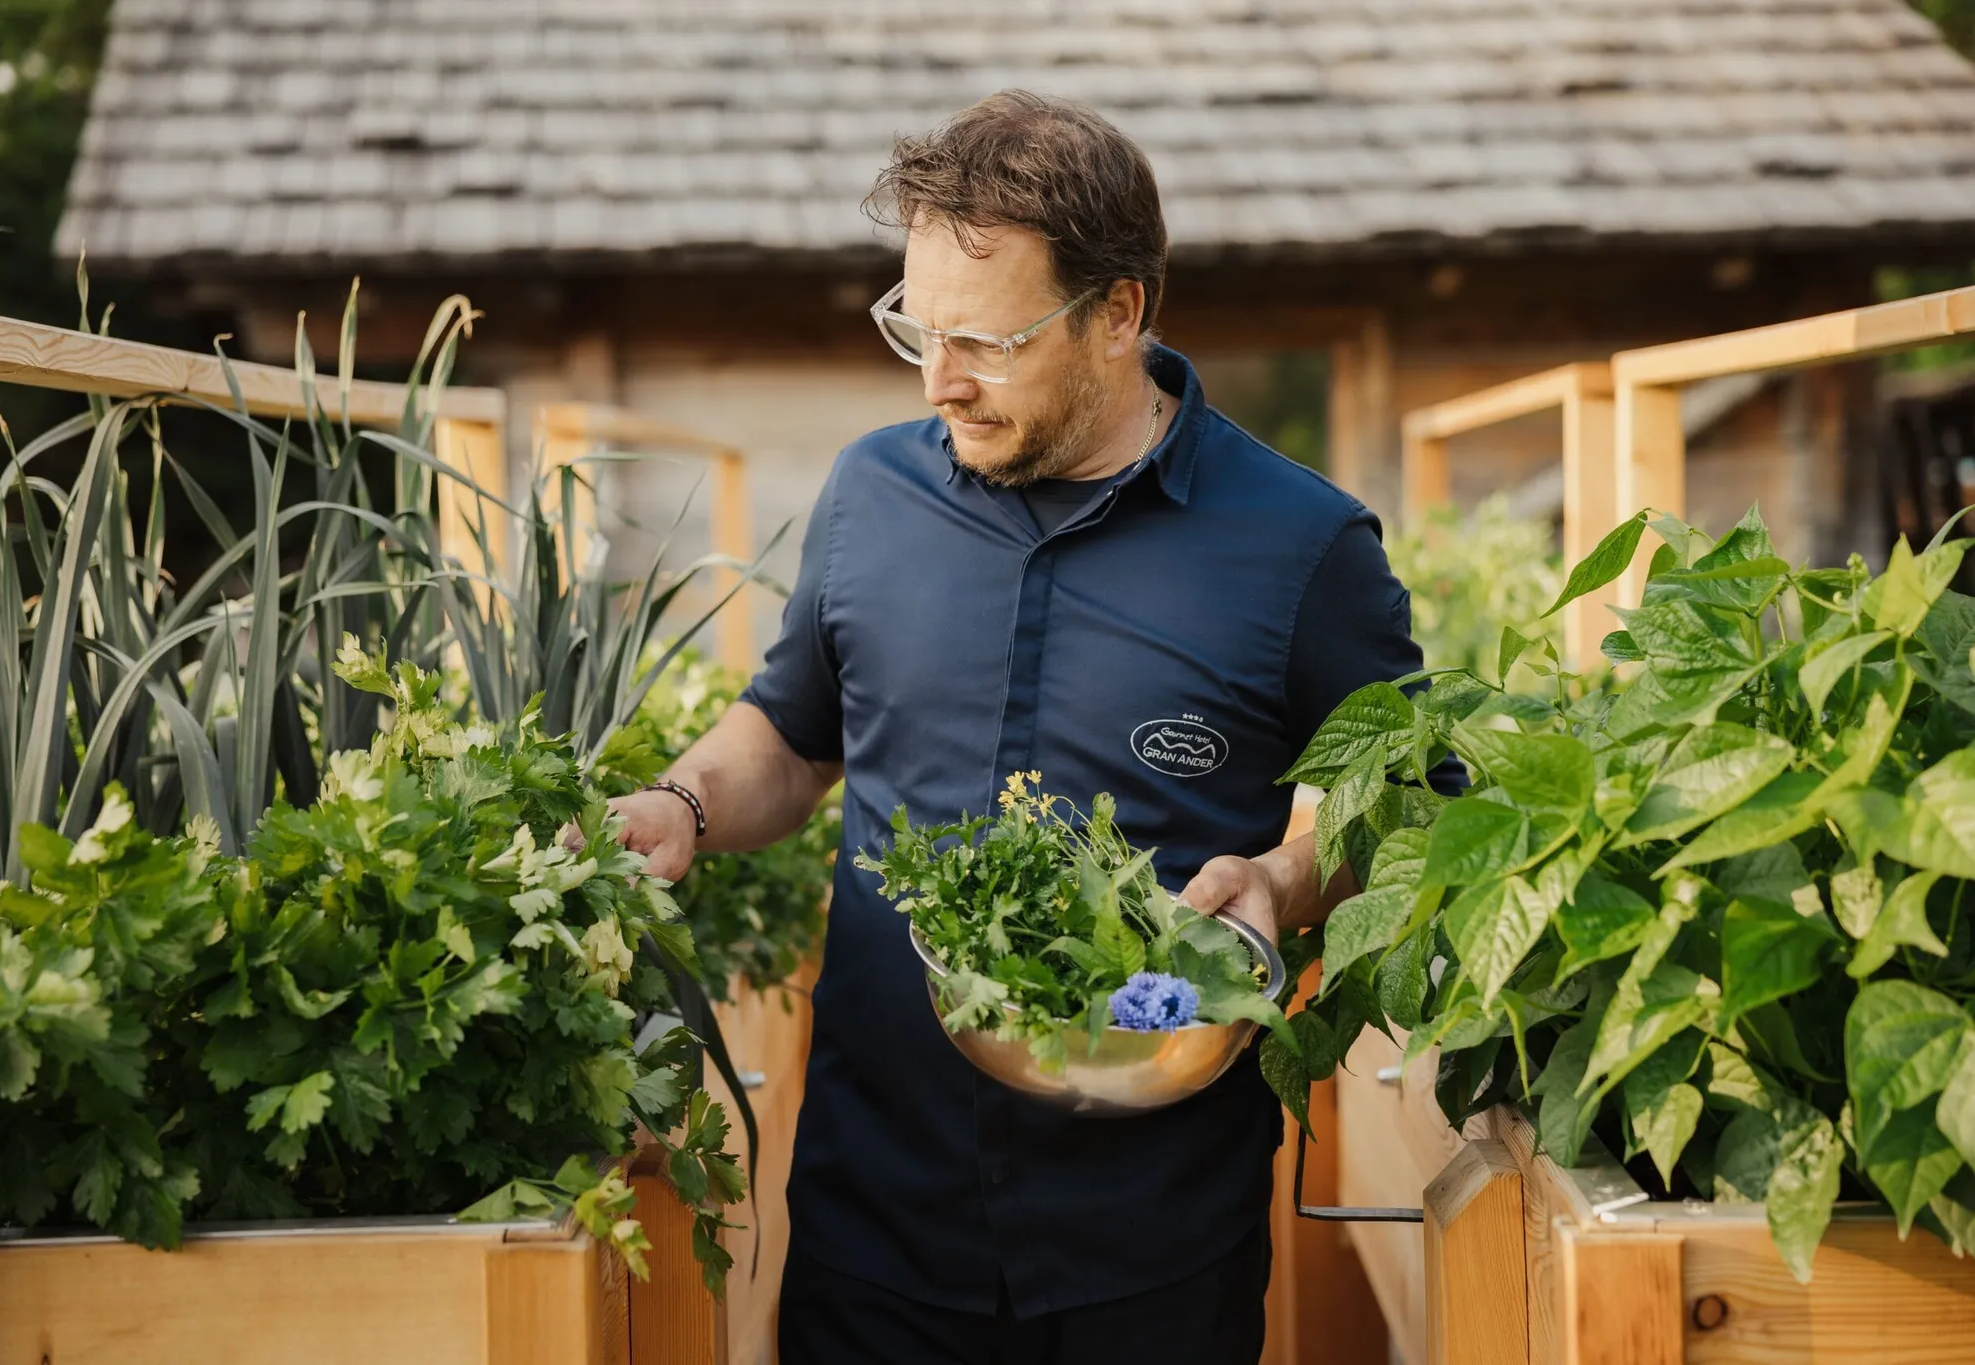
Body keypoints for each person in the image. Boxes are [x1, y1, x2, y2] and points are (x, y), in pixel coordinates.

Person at [608, 90, 1433, 1365]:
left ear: (1118, 314)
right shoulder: (870, 493)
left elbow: (1396, 811)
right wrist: (685, 806)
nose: (942, 382)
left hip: (1149, 1243)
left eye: (986, 343)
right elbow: (790, 732)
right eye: (916, 332)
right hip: (871, 1215)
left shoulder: (1301, 547)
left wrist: (1284, 876)